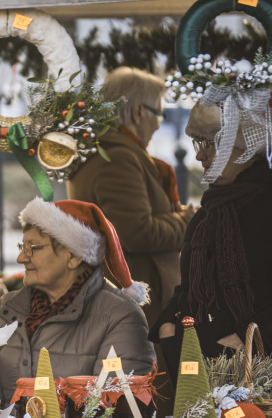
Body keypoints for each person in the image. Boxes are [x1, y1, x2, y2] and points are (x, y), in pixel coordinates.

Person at [0, 198, 155, 404]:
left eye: (34, 247)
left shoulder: (121, 316)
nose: (21, 258)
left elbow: (111, 412)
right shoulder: (9, 307)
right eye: (23, 246)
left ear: (73, 256)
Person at [67, 67, 196, 327]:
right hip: (142, 304)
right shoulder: (118, 159)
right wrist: (188, 221)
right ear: (138, 112)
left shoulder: (114, 153)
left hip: (137, 299)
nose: (160, 122)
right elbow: (137, 232)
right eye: (159, 112)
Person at [153, 103, 272, 369]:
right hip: (199, 366)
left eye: (211, 143)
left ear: (247, 148)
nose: (200, 156)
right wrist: (167, 327)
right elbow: (189, 288)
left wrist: (245, 340)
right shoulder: (208, 213)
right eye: (198, 143)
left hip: (259, 368)